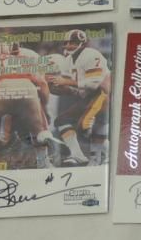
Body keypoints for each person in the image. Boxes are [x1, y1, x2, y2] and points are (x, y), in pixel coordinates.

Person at [45, 29, 110, 166]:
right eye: (66, 42)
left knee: (85, 126)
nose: (69, 45)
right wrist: (54, 86)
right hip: (88, 97)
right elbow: (73, 89)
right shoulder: (68, 60)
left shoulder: (91, 55)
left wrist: (66, 82)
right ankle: (78, 155)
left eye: (73, 42)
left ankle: (110, 153)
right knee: (62, 121)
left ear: (83, 43)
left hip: (102, 93)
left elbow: (94, 84)